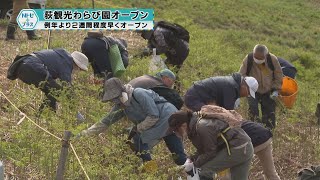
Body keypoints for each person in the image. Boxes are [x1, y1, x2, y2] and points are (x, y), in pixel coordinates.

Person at [78, 78, 187, 166]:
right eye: (112, 99)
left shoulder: (139, 94)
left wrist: (137, 128)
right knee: (179, 158)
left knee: (139, 139)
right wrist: (83, 134)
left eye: (115, 97)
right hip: (161, 122)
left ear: (123, 92)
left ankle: (150, 170)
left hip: (167, 116)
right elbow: (105, 122)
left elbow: (153, 115)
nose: (114, 101)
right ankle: (186, 166)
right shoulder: (121, 106)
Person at [168, 110, 253, 180]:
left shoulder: (201, 127)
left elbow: (210, 152)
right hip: (244, 146)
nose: (176, 133)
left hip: (239, 147)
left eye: (176, 130)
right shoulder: (195, 126)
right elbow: (204, 149)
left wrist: (195, 164)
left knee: (204, 171)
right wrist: (191, 159)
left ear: (183, 125)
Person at [7, 48, 89, 111]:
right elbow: (67, 86)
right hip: (32, 67)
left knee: (51, 91)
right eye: (80, 69)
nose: (78, 71)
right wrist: (73, 102)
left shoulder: (62, 55)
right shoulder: (67, 62)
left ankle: (47, 115)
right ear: (77, 65)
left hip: (23, 67)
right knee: (56, 91)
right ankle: (44, 115)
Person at [239, 44, 283, 129]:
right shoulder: (249, 58)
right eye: (256, 58)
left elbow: (279, 75)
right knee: (253, 113)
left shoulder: (272, 59)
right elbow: (241, 74)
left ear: (266, 56)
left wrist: (275, 89)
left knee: (269, 115)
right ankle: (254, 131)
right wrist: (246, 85)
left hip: (268, 91)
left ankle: (268, 133)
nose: (257, 60)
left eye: (260, 58)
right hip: (252, 91)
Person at [184, 72, 258, 111]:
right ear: (244, 87)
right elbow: (227, 111)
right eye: (248, 93)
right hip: (194, 98)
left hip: (198, 97)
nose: (246, 96)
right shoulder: (231, 87)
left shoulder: (233, 85)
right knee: (211, 116)